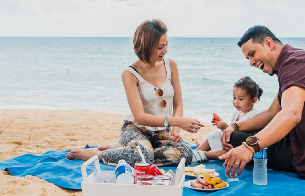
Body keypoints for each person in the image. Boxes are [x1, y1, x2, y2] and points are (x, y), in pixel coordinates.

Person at [219, 25, 305, 180]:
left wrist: (249, 147)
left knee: (236, 140)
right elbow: (272, 113)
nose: (251, 62)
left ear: (269, 43)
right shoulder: (290, 63)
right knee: (237, 135)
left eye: (252, 54)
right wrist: (234, 126)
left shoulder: (295, 63)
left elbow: (292, 114)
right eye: (248, 58)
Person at [66, 19, 204, 167]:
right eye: (160, 47)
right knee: (143, 157)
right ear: (146, 47)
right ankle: (99, 154)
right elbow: (140, 117)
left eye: (166, 45)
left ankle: (123, 151)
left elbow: (178, 103)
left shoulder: (171, 65)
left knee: (185, 154)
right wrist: (176, 121)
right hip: (136, 129)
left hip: (162, 133)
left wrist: (175, 131)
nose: (165, 50)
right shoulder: (130, 73)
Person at [196, 76, 261, 160]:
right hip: (230, 141)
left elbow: (238, 137)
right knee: (217, 133)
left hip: (239, 146)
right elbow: (229, 132)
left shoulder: (254, 116)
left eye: (240, 99)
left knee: (224, 146)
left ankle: (204, 154)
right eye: (234, 98)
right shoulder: (237, 113)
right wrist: (222, 125)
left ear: (253, 100)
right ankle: (198, 150)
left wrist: (225, 126)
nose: (235, 102)